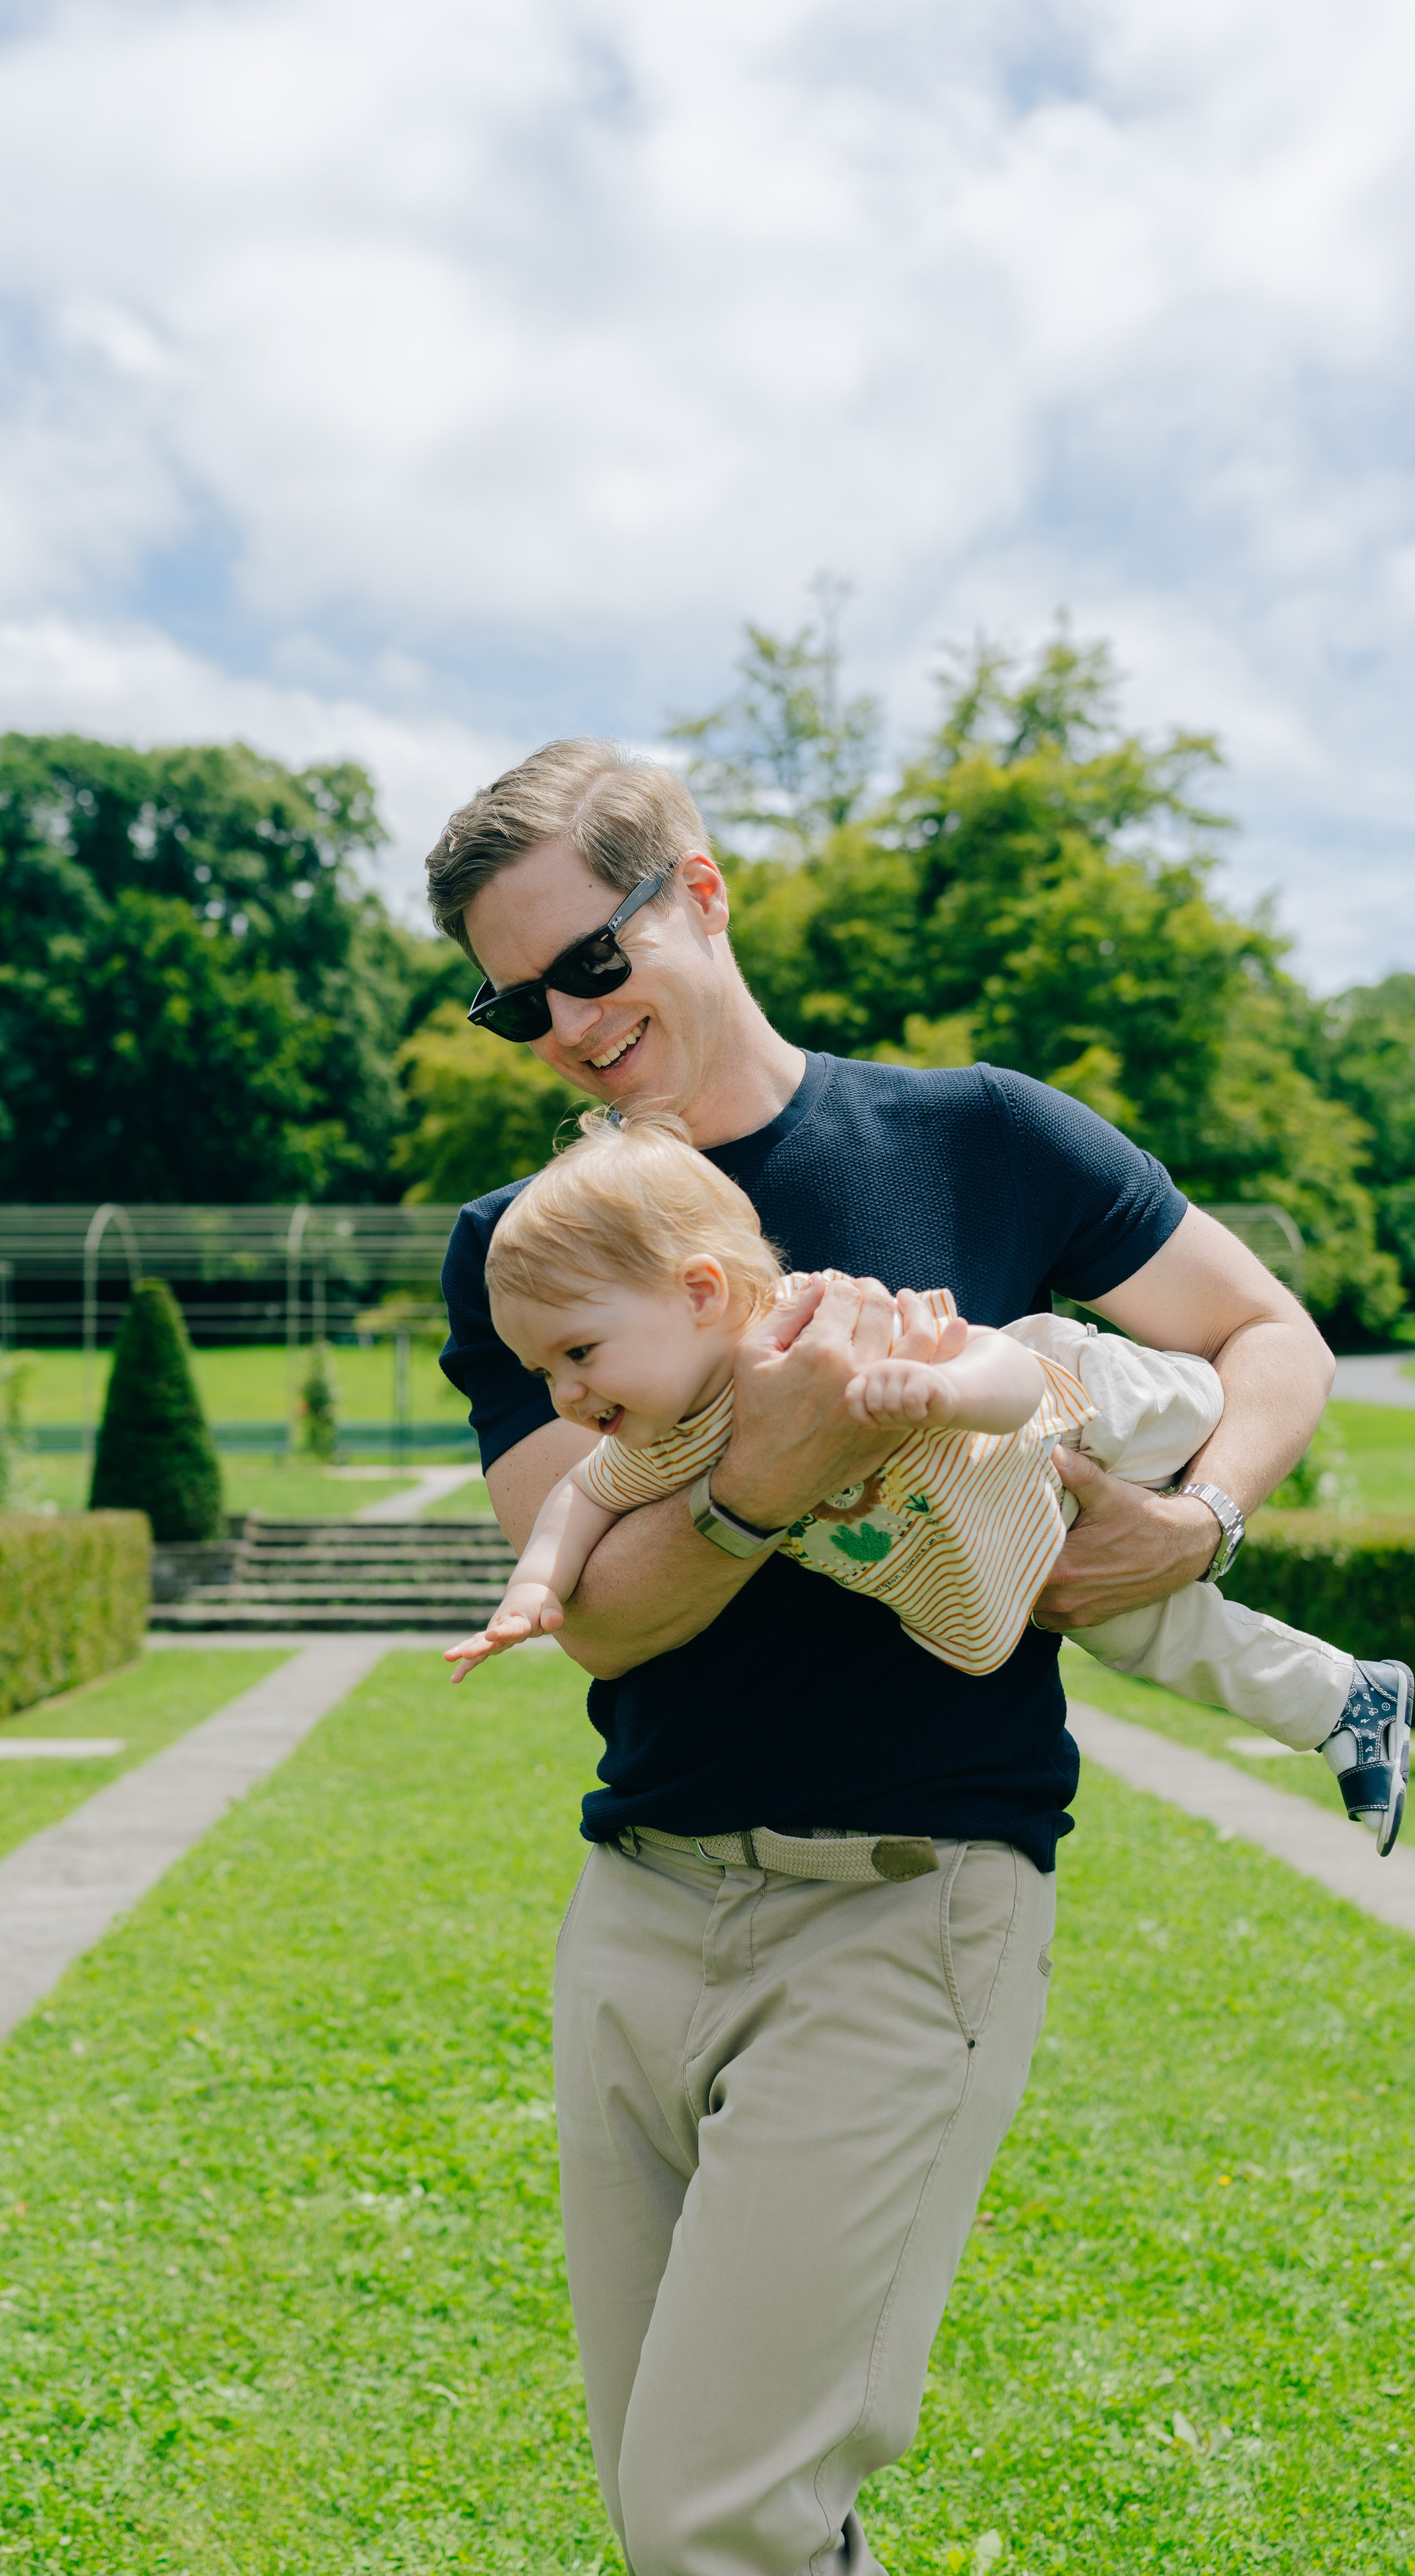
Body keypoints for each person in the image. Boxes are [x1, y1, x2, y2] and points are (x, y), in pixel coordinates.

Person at [428, 737, 1337, 2576]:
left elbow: (1268, 1339)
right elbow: (599, 1609)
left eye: (590, 964)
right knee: (688, 2512)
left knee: (713, 2515)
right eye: (515, 1001)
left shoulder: (980, 1137)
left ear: (699, 889)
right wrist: (772, 1479)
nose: (567, 1026)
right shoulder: (528, 1254)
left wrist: (1203, 1521)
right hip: (642, 1908)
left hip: (909, 1910)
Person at [443, 1108, 1410, 1851]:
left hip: (1073, 1410)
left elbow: (1010, 1368)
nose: (566, 1392)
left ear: (700, 1294)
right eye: (543, 1375)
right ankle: (1344, 1703)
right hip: (1023, 1534)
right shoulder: (665, 1436)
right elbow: (582, 1497)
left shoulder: (817, 1325)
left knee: (1185, 1405)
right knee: (1139, 1630)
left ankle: (1199, 1439)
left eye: (579, 1352)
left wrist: (941, 1390)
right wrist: (534, 1590)